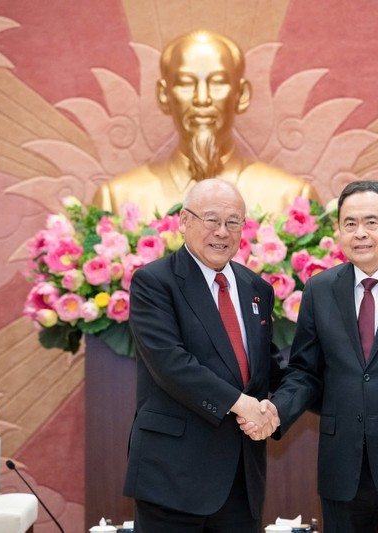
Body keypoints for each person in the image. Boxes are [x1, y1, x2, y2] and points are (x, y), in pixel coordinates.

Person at [242, 180, 378, 532]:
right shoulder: (320, 289)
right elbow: (305, 372)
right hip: (342, 468)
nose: (360, 233)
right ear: (339, 232)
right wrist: (276, 410)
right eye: (350, 224)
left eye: (371, 222)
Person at [124, 178, 282, 532]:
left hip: (241, 480)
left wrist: (282, 406)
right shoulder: (154, 282)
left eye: (233, 222)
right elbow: (171, 364)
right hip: (172, 477)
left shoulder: (257, 288)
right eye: (211, 220)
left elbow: (266, 367)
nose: (222, 232)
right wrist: (244, 405)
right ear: (184, 221)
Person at [94, 30, 318, 220]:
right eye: (185, 83)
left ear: (241, 95)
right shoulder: (116, 200)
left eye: (218, 83)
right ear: (164, 95)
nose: (202, 99)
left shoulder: (292, 199)